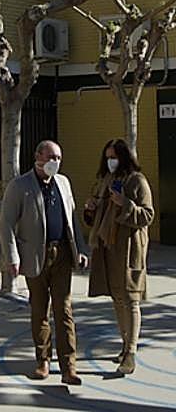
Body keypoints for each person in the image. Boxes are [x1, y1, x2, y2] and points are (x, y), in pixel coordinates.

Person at [0, 139, 89, 385]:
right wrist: (12, 257)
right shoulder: (20, 186)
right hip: (35, 255)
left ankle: (69, 365)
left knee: (64, 309)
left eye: (58, 158)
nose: (55, 163)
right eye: (51, 158)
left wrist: (80, 249)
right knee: (40, 310)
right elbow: (5, 224)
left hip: (62, 255)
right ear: (38, 156)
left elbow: (72, 218)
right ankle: (43, 360)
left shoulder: (63, 183)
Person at [83, 138, 154, 375]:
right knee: (117, 299)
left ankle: (131, 351)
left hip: (129, 249)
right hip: (107, 248)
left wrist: (126, 204)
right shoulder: (106, 181)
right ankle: (124, 345)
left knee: (131, 299)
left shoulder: (137, 181)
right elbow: (96, 216)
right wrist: (90, 209)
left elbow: (147, 215)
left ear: (124, 157)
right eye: (107, 157)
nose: (110, 161)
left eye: (114, 156)